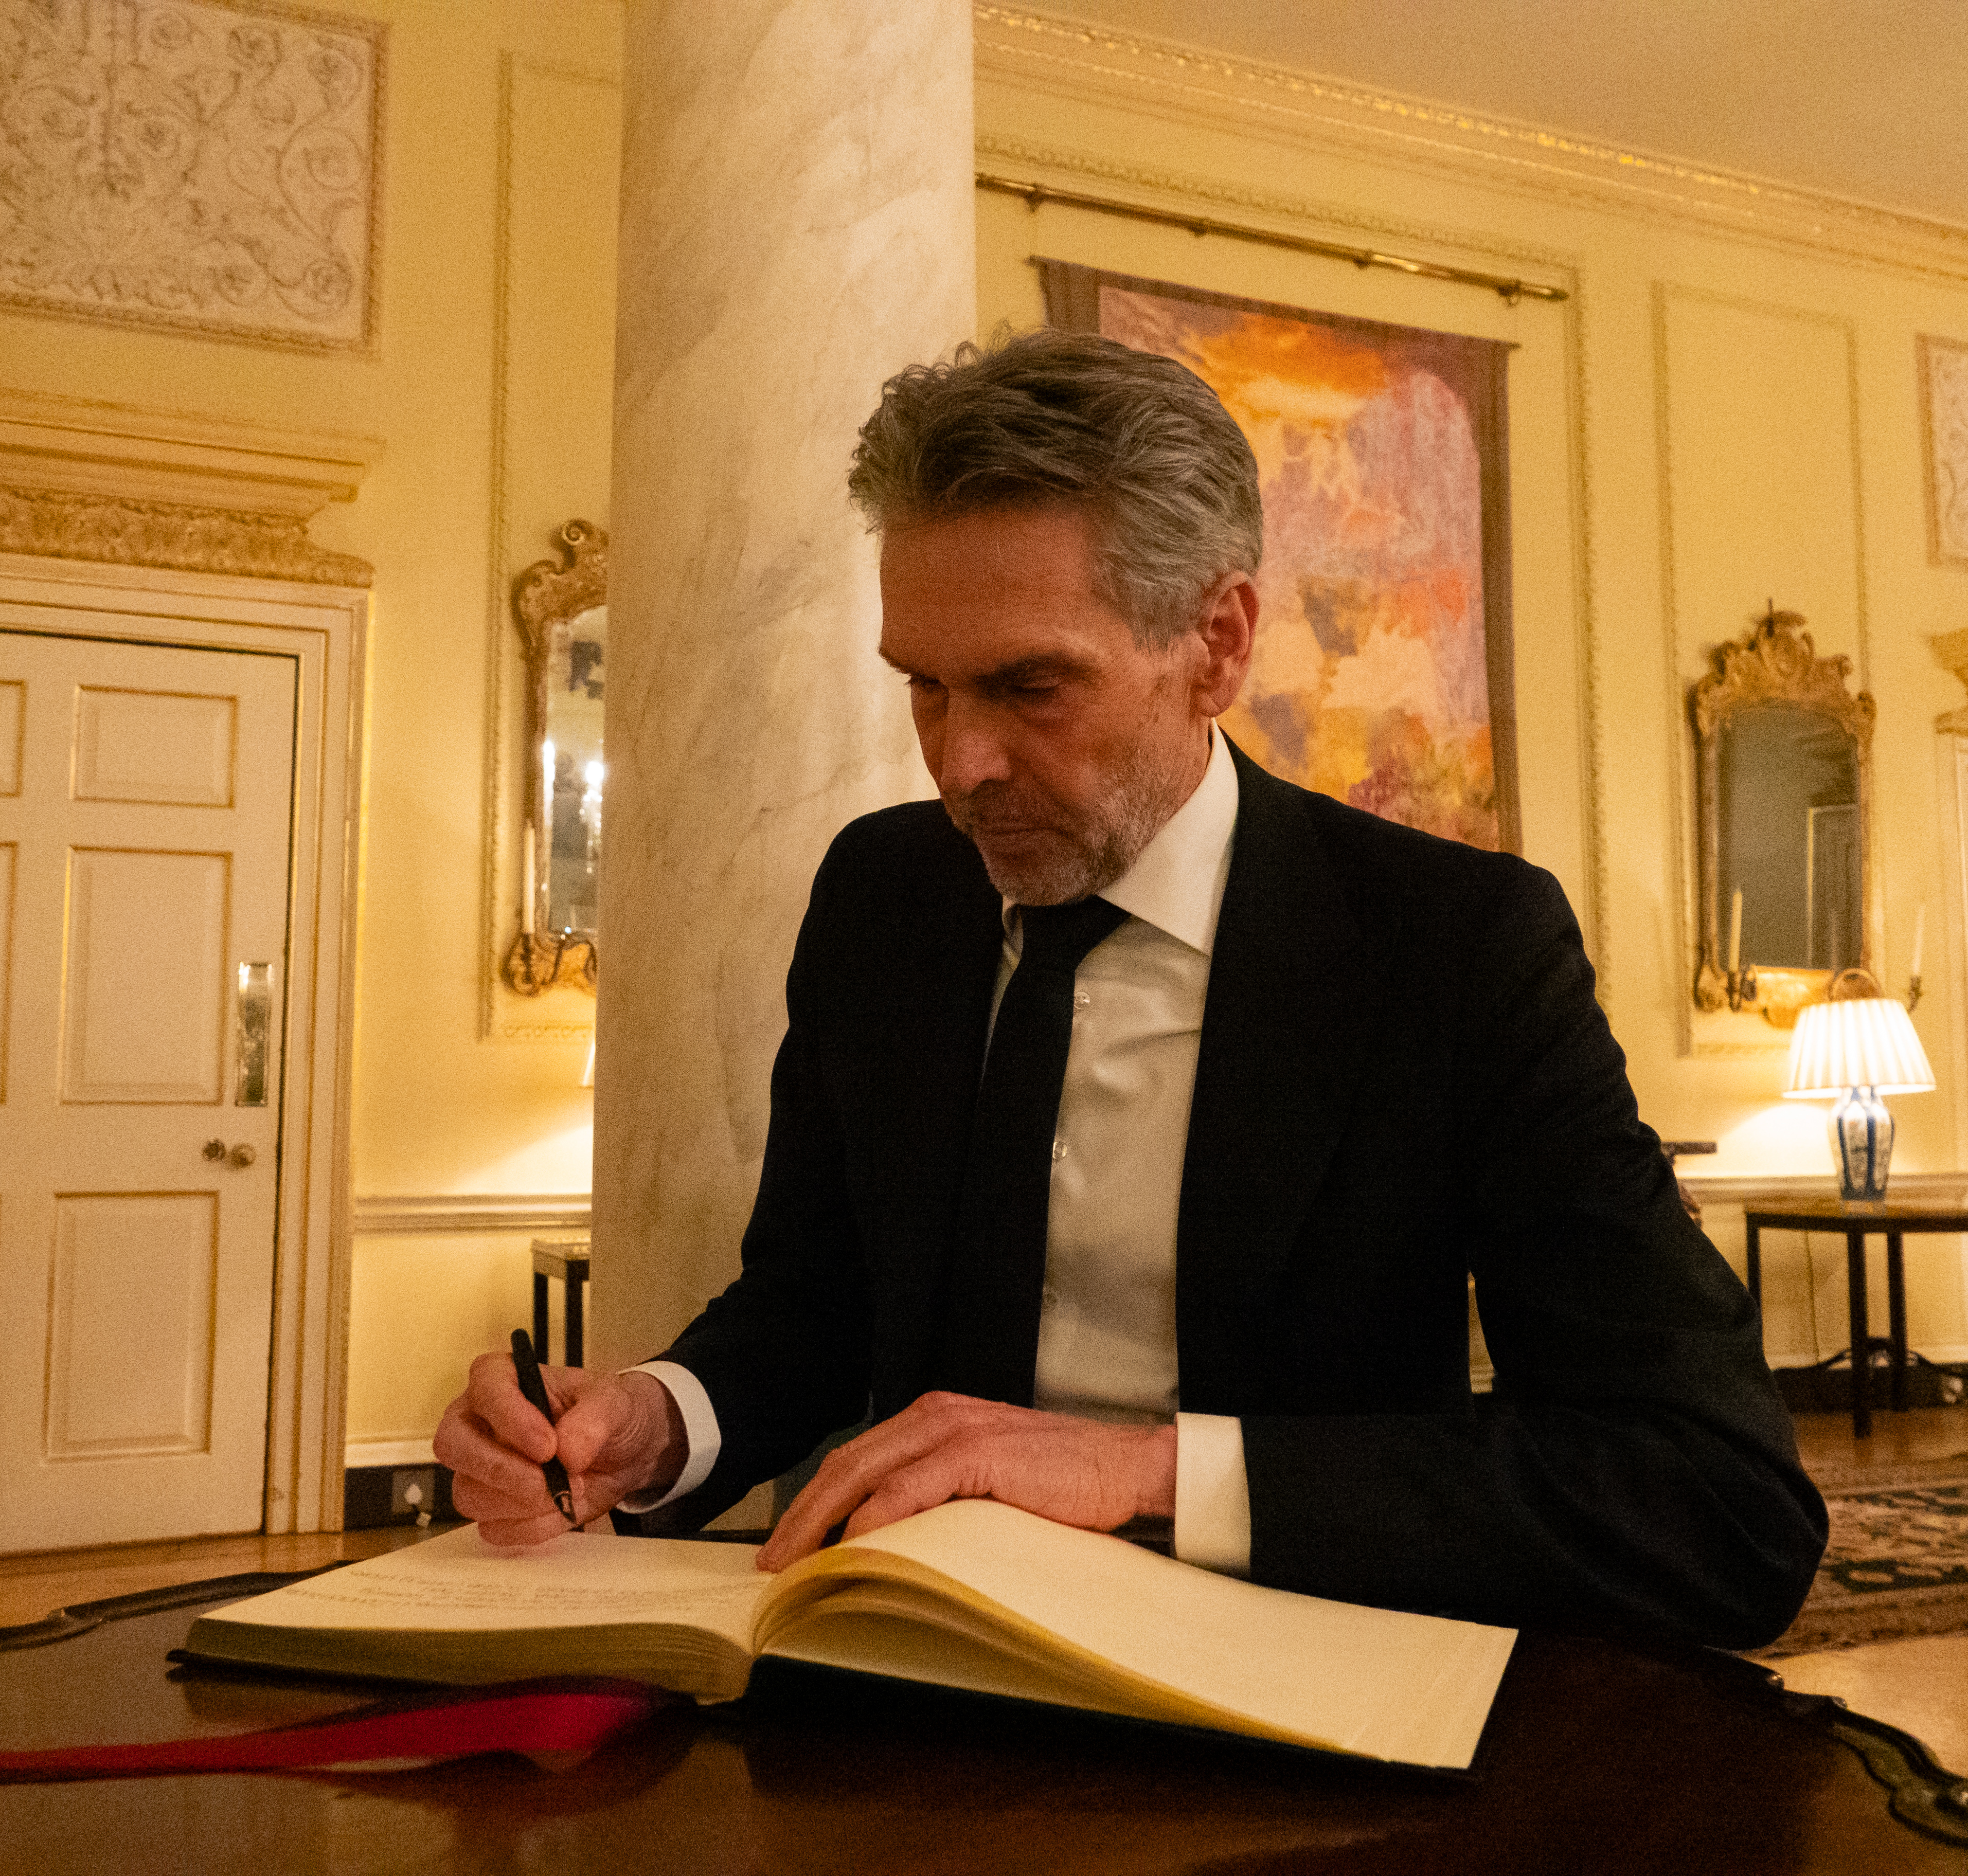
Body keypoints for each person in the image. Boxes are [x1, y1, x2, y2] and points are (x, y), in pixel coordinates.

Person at [437, 329, 1826, 1648]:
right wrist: (653, 1418)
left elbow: (1716, 1498)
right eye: (925, 686)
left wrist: (1149, 1472)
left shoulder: (1449, 948)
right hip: (914, 1678)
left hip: (1293, 1697)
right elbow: (815, 1303)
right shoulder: (885, 896)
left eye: (1032, 687)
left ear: (1216, 646)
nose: (960, 763)